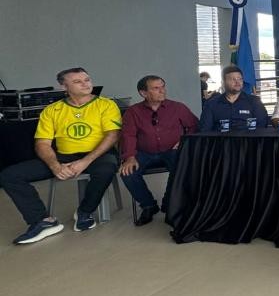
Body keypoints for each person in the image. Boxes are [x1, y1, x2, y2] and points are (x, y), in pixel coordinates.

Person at [0, 68, 120, 244]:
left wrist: (84, 162)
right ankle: (42, 221)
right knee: (9, 175)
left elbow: (113, 135)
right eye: (77, 82)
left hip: (98, 155)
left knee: (107, 168)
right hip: (63, 156)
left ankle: (85, 212)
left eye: (87, 79)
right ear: (64, 87)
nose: (85, 84)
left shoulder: (106, 104)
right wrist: (55, 165)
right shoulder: (52, 110)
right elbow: (42, 144)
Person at [118, 75, 199, 225]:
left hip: (171, 150)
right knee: (127, 173)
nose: (162, 91)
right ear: (143, 93)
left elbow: (194, 125)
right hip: (143, 152)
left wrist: (184, 140)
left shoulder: (177, 107)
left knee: (182, 167)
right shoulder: (133, 112)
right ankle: (148, 205)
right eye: (156, 88)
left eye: (163, 86)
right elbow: (128, 135)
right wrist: (129, 156)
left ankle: (169, 203)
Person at [198, 65, 269, 131]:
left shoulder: (254, 102)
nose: (237, 82)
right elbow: (205, 130)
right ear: (223, 82)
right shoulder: (211, 104)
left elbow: (261, 127)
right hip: (221, 143)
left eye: (240, 79)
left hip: (248, 143)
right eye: (233, 79)